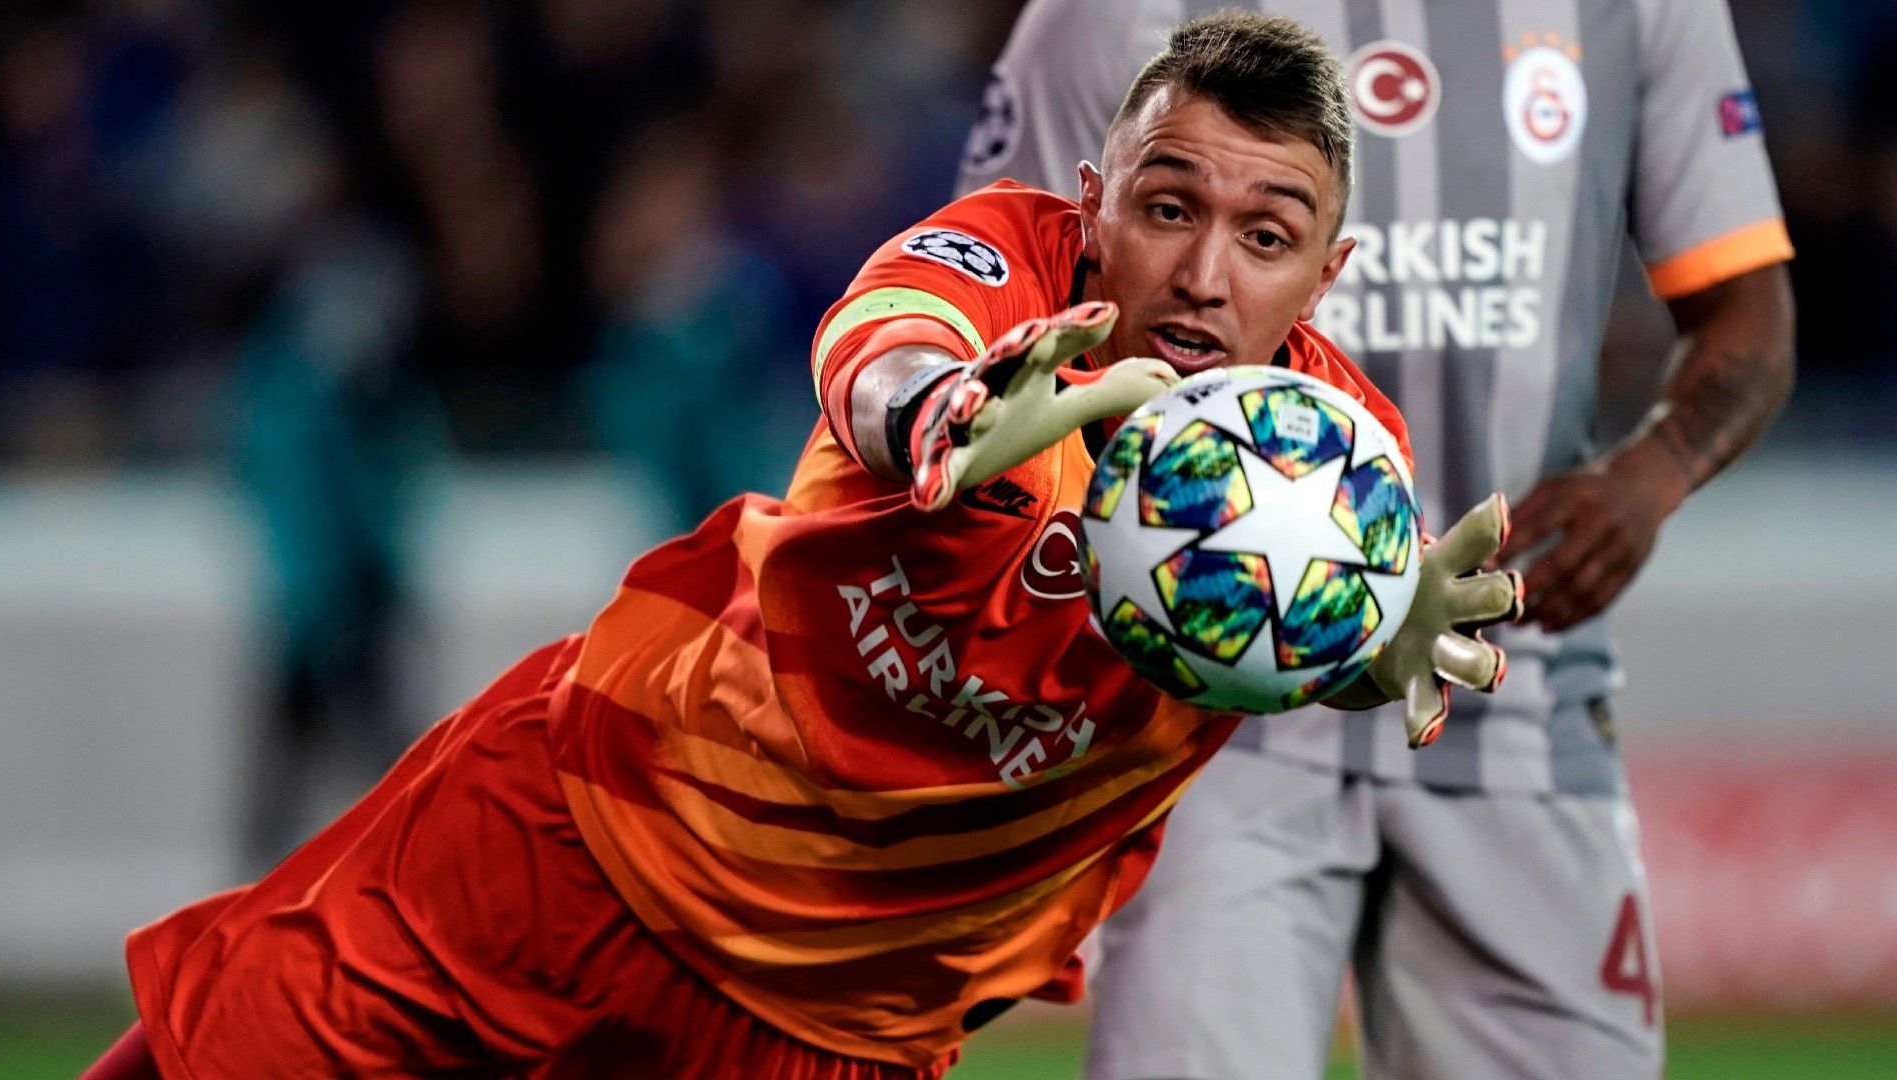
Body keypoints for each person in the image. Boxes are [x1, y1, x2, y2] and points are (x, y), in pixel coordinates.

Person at [83, 14, 1522, 1080]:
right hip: (573, 831)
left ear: (1328, 274)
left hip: (835, 1022)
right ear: (1094, 204)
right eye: (1167, 210)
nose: (1205, 275)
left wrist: (1354, 652)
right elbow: (881, 351)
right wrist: (948, 411)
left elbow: (1288, 653)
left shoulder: (1336, 489)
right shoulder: (1003, 271)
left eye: (1266, 237)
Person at [959, 1, 1796, 1077]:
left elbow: (1750, 314)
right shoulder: (1109, 16)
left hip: (1514, 690)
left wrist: (1652, 474)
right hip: (1203, 723)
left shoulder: (1639, 11)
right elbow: (1003, 309)